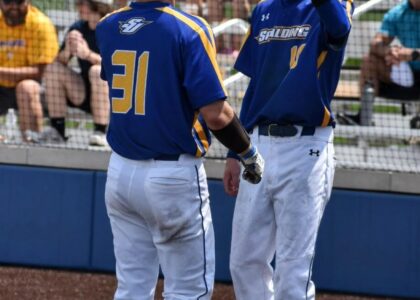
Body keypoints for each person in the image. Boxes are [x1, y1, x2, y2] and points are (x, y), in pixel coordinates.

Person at [95, 0, 264, 298]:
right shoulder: (189, 28)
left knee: (132, 288)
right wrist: (248, 152)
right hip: (172, 176)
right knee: (188, 290)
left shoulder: (108, 25)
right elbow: (216, 114)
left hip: (121, 173)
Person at [223, 0, 353, 298]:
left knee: (293, 267)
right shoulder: (263, 9)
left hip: (305, 145)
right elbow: (255, 86)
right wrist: (235, 151)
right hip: (258, 144)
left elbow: (340, 29)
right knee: (244, 262)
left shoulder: (331, 6)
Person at [43, 0, 113, 146]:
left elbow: (115, 64)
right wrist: (68, 50)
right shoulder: (78, 27)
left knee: (97, 71)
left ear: (97, 5)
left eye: (82, 3)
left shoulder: (112, 27)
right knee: (53, 69)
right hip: (83, 92)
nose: (78, 7)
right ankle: (57, 131)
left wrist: (87, 55)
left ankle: (101, 131)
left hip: (112, 96)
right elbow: (60, 61)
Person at [0, 0, 58, 142]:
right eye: (8, 1)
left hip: (35, 87)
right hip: (1, 87)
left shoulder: (40, 23)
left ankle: (32, 143)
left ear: (28, 1)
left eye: (19, 1)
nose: (14, 6)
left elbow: (40, 71)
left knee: (26, 88)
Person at [357, 0, 420, 126]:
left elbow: (410, 54)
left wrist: (413, 54)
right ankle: (363, 119)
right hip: (407, 74)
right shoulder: (397, 12)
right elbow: (376, 43)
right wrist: (390, 52)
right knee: (369, 61)